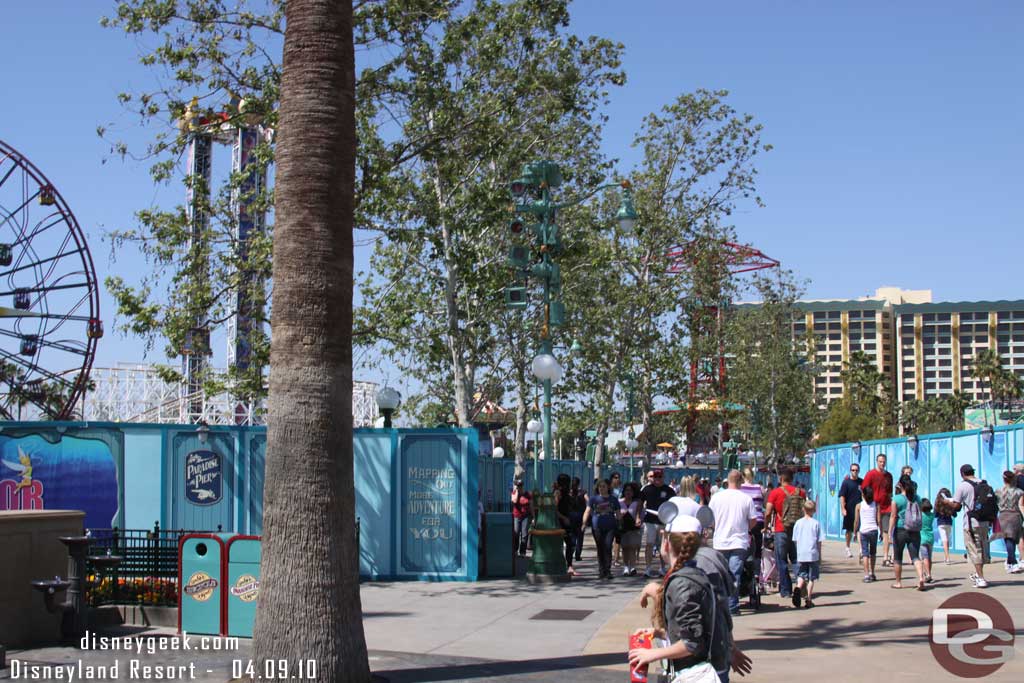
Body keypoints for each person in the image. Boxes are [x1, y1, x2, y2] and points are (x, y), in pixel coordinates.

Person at [629, 515, 733, 683]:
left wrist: (652, 654)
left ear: (666, 543)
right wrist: (659, 633)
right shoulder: (693, 575)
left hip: (695, 673)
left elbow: (692, 643)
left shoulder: (682, 583)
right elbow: (695, 629)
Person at [708, 470, 757, 614]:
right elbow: (753, 520)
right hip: (739, 541)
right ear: (741, 480)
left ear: (727, 480)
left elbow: (710, 519)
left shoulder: (716, 497)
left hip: (720, 541)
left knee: (721, 573)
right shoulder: (746, 498)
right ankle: (732, 606)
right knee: (735, 573)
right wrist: (745, 528)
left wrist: (716, 527)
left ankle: (722, 604)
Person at [764, 467, 805, 600]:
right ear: (792, 479)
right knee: (796, 559)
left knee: (781, 561)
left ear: (781, 479)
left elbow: (768, 512)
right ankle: (800, 585)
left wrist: (766, 526)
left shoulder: (775, 493)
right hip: (797, 531)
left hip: (781, 530)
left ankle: (786, 591)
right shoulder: (801, 493)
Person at [947, 464, 991, 588]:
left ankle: (981, 578)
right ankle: (979, 574)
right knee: (981, 548)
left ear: (962, 474)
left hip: (971, 523)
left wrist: (946, 502)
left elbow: (956, 506)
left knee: (974, 550)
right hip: (985, 521)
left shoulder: (963, 486)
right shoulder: (983, 483)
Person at [889, 474, 926, 591]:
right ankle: (921, 577)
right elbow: (920, 512)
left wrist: (890, 532)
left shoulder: (897, 499)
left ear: (900, 485)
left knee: (898, 557)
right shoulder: (918, 498)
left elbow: (893, 516)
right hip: (915, 530)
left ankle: (898, 582)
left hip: (900, 529)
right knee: (915, 556)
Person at [582, 478, 620, 579]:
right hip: (597, 527)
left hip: (610, 527)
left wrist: (620, 523)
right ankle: (601, 570)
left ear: (608, 487)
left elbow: (618, 513)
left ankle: (607, 570)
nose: (601, 488)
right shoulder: (593, 499)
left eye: (603, 486)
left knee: (608, 546)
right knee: (600, 547)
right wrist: (584, 523)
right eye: (600, 487)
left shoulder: (613, 499)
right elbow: (587, 511)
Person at [640, 469, 675, 577]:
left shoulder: (669, 490)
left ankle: (663, 567)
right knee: (649, 544)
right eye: (655, 477)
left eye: (660, 477)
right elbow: (640, 503)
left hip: (663, 521)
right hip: (650, 521)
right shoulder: (647, 489)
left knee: (663, 545)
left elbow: (674, 505)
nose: (657, 479)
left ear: (663, 478)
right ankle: (648, 568)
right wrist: (638, 517)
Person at [861, 453, 894, 566]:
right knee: (869, 531)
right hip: (872, 508)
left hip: (886, 508)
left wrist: (891, 505)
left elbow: (889, 493)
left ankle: (885, 557)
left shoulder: (889, 476)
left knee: (886, 531)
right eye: (880, 461)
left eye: (884, 461)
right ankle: (864, 552)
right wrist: (866, 504)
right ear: (877, 462)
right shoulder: (870, 474)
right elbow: (863, 490)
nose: (882, 463)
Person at [792, 499, 824, 607]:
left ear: (803, 509)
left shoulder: (798, 523)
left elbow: (795, 539)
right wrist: (819, 555)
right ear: (814, 510)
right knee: (811, 578)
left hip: (801, 554)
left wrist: (798, 551)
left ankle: (798, 587)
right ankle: (809, 599)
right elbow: (819, 541)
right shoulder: (816, 523)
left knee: (801, 574)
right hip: (812, 554)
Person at [997, 470, 1024, 573]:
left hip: (1003, 516)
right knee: (1013, 540)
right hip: (1016, 516)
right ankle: (1011, 562)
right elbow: (1021, 505)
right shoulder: (1020, 492)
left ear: (1004, 479)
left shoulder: (998, 491)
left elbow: (996, 505)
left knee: (1008, 540)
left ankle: (1011, 562)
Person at [553, 474, 580, 577]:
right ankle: (567, 566)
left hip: (567, 522)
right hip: (560, 523)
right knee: (568, 543)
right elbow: (554, 509)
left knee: (570, 544)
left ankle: (569, 566)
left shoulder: (565, 492)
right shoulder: (558, 493)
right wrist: (564, 518)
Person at [740, 468, 766, 561]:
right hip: (758, 519)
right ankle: (756, 569)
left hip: (745, 520)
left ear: (743, 476)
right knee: (758, 545)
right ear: (753, 476)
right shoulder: (760, 488)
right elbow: (764, 505)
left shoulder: (740, 488)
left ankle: (745, 564)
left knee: (743, 544)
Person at [854, 485, 879, 582]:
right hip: (874, 530)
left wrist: (855, 532)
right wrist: (879, 530)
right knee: (873, 553)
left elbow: (856, 521)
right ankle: (872, 573)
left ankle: (866, 575)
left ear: (863, 495)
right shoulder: (876, 505)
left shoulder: (859, 506)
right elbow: (878, 520)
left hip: (863, 531)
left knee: (865, 554)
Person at [838, 463, 862, 558]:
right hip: (849, 509)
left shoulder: (862, 482)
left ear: (859, 471)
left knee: (860, 529)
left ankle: (861, 549)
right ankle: (847, 548)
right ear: (850, 471)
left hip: (859, 510)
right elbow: (842, 496)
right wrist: (843, 509)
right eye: (853, 470)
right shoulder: (846, 482)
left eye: (856, 470)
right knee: (849, 530)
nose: (855, 472)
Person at [618, 482, 643, 576]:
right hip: (623, 527)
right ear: (624, 491)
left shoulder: (637, 502)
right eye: (626, 490)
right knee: (625, 548)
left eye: (630, 490)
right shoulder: (619, 502)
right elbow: (615, 513)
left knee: (632, 547)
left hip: (634, 527)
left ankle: (632, 567)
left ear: (633, 492)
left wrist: (638, 519)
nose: (628, 492)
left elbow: (641, 514)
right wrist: (620, 515)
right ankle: (625, 567)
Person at [569, 477, 588, 562]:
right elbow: (588, 500)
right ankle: (578, 555)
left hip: (571, 516)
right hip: (581, 516)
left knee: (572, 536)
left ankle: (571, 552)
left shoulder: (570, 492)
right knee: (580, 537)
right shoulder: (583, 492)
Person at [510, 479, 531, 557]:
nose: (520, 487)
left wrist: (533, 517)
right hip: (517, 516)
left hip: (525, 516)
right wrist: (517, 492)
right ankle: (515, 550)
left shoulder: (527, 494)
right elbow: (514, 501)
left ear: (523, 486)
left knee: (524, 534)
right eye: (518, 486)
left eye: (521, 486)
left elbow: (531, 505)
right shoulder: (514, 493)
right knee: (516, 533)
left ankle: (522, 552)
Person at [935, 487, 955, 565]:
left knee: (944, 540)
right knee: (947, 539)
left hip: (941, 522)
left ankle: (947, 557)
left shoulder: (938, 503)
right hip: (949, 522)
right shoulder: (950, 502)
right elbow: (954, 514)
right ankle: (947, 556)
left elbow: (935, 514)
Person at [919, 497, 935, 583]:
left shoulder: (920, 515)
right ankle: (929, 573)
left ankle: (928, 574)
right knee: (929, 558)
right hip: (930, 538)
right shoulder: (932, 515)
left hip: (922, 538)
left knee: (924, 557)